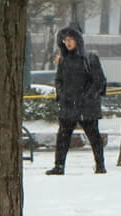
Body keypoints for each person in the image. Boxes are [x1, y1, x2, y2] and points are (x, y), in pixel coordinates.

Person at [45, 25, 108, 175]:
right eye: (65, 40)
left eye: (71, 40)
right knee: (63, 137)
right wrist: (61, 94)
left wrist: (88, 96)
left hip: (86, 106)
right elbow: (58, 80)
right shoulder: (64, 60)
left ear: (77, 41)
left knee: (93, 136)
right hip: (68, 105)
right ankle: (59, 166)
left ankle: (100, 165)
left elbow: (99, 81)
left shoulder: (90, 59)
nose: (68, 43)